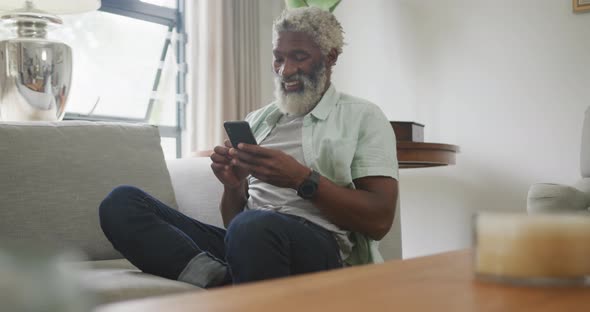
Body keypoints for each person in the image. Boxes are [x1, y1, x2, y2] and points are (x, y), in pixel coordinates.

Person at [99, 7, 399, 288]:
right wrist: (233, 186)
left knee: (253, 225)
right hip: (251, 241)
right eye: (278, 58)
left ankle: (234, 285)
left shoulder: (363, 117)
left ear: (331, 57)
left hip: (320, 249)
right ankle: (221, 280)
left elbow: (380, 220)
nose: (285, 70)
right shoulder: (259, 121)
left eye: (299, 56)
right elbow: (234, 225)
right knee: (122, 203)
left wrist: (301, 179)